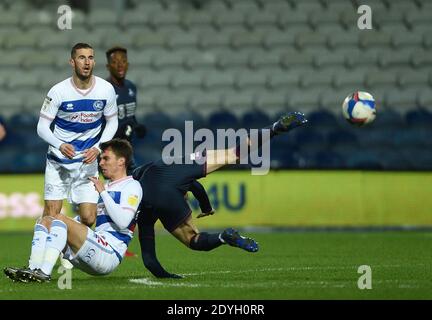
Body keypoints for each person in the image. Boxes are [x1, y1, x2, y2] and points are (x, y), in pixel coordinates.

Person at [134, 112, 307, 278]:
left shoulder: (144, 210)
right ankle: (275, 128)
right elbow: (197, 188)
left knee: (193, 240)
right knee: (234, 154)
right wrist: (207, 208)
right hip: (173, 164)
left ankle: (224, 237)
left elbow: (149, 261)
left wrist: (167, 276)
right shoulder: (172, 173)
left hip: (151, 193)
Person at [30, 43, 118, 271]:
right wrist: (60, 145)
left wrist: (98, 147)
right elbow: (41, 127)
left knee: (89, 218)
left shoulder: (105, 89)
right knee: (51, 212)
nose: (87, 62)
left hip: (87, 164)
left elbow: (113, 121)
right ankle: (37, 264)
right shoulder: (58, 91)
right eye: (81, 58)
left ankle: (64, 245)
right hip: (58, 163)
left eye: (90, 58)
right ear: (72, 62)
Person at [4, 139, 142, 282]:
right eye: (101, 159)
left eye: (106, 158)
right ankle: (32, 269)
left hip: (109, 253)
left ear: (121, 161)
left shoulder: (131, 186)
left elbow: (123, 222)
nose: (101, 163)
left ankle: (44, 272)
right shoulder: (106, 186)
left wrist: (102, 192)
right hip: (95, 247)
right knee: (45, 220)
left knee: (59, 218)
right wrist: (69, 224)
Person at [106, 46, 146, 151]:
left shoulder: (131, 87)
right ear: (108, 66)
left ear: (127, 65)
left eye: (123, 61)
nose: (120, 65)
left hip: (127, 148)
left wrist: (136, 126)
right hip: (109, 149)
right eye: (115, 62)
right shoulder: (104, 90)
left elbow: (130, 116)